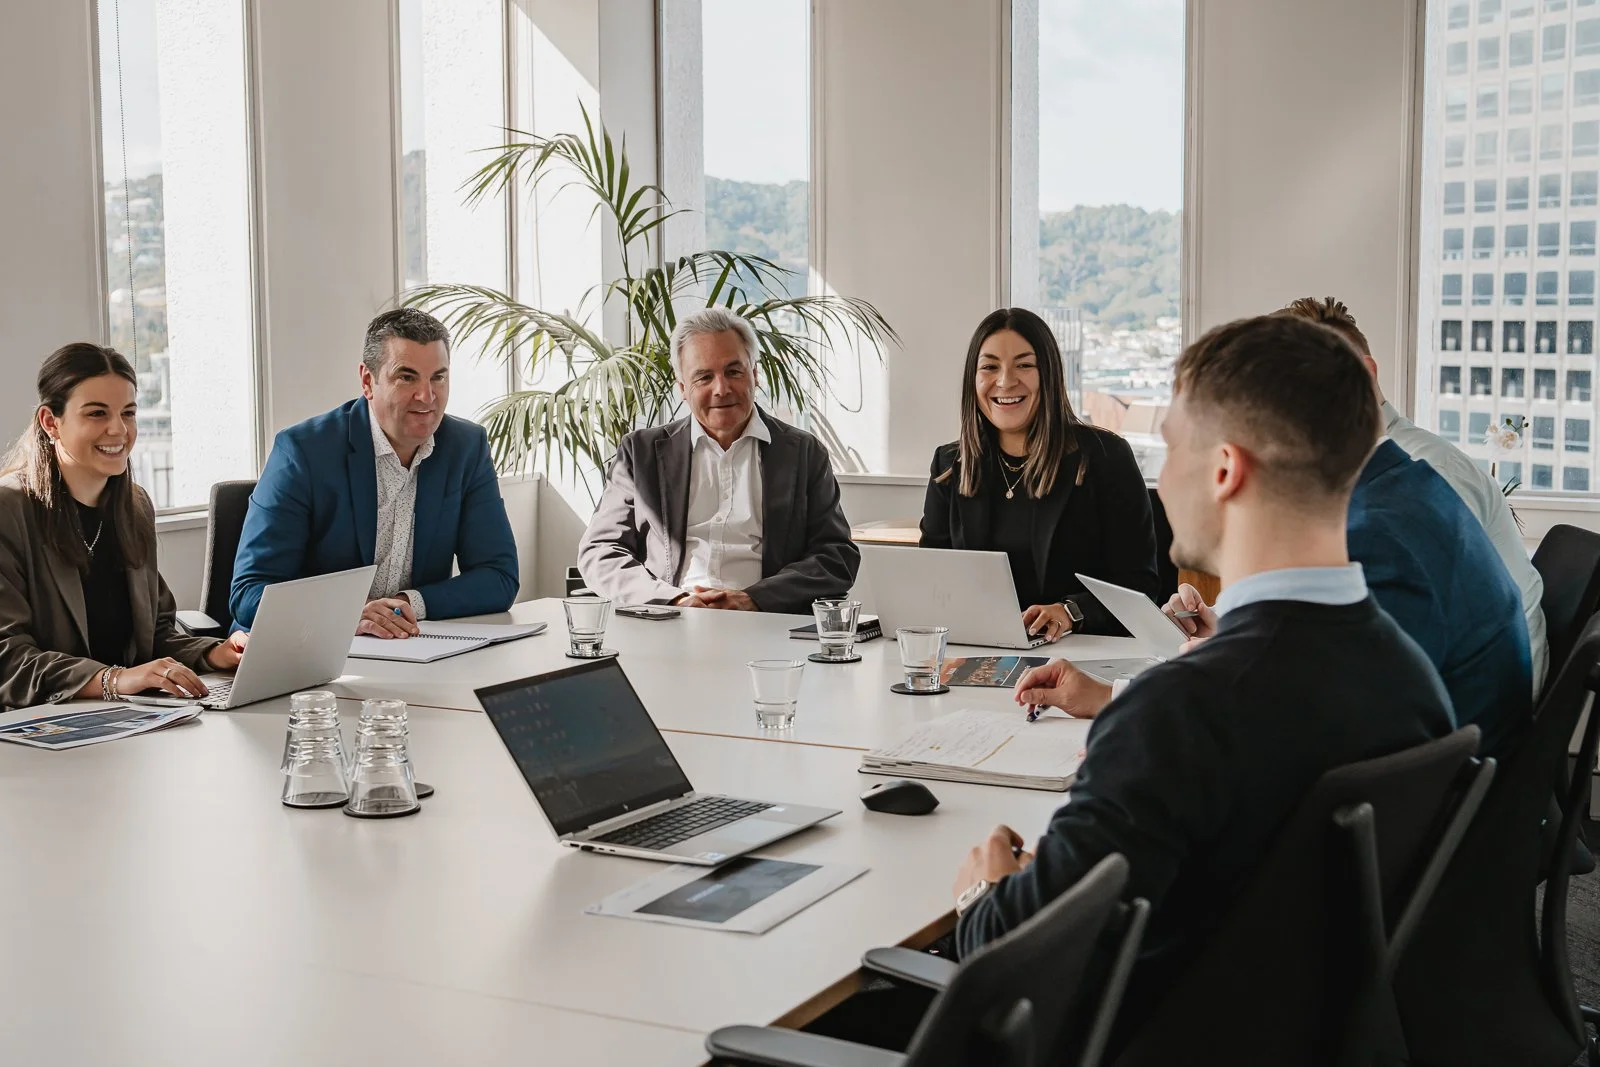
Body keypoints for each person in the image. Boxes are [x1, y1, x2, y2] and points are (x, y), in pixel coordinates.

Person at [953, 316, 1455, 1049]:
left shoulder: (1178, 713)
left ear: (1224, 469)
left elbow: (1014, 954)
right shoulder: (1412, 678)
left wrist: (982, 891)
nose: (1160, 475)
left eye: (1173, 444)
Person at [1279, 296, 1548, 693]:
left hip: (1472, 711)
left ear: (1365, 374)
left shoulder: (1427, 473)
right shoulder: (1364, 468)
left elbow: (1396, 644)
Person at [230, 308, 518, 637]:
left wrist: (406, 604)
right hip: (306, 652)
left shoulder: (465, 447)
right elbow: (249, 594)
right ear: (368, 381)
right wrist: (349, 612)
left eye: (438, 377)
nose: (427, 396)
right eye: (407, 377)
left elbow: (499, 577)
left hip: (408, 648)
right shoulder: (303, 452)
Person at [0, 343, 246, 709]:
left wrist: (216, 653)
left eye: (128, 413)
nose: (118, 429)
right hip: (46, 727)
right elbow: (8, 658)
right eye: (97, 413)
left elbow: (156, 634)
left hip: (133, 718)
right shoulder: (10, 511)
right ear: (51, 422)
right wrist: (114, 680)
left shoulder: (134, 506)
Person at [577, 307, 859, 613]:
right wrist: (673, 599)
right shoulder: (640, 452)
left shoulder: (804, 452)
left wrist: (754, 598)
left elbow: (836, 555)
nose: (721, 389)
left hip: (766, 624)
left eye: (733, 371)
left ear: (755, 374)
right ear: (683, 388)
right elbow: (600, 551)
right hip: (669, 619)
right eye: (704, 377)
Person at [919, 308, 1158, 640]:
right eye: (989, 367)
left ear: (1049, 375)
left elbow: (1140, 586)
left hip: (1080, 654)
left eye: (1024, 365)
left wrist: (1072, 612)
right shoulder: (949, 464)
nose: (1005, 381)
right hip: (979, 649)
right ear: (972, 380)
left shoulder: (1105, 457)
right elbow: (933, 579)